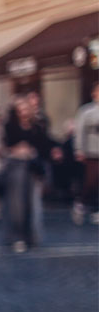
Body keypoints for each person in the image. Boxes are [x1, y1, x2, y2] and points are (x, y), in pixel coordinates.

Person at [3, 95, 56, 253]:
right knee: (16, 203)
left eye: (25, 109)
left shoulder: (36, 126)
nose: (23, 112)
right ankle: (17, 236)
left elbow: (43, 144)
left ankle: (32, 235)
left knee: (33, 204)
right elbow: (5, 145)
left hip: (33, 166)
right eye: (20, 109)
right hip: (16, 166)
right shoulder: (10, 126)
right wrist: (16, 149)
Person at [72, 81, 99, 225]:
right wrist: (79, 149)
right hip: (92, 151)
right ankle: (81, 203)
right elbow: (80, 131)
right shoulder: (87, 111)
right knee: (91, 180)